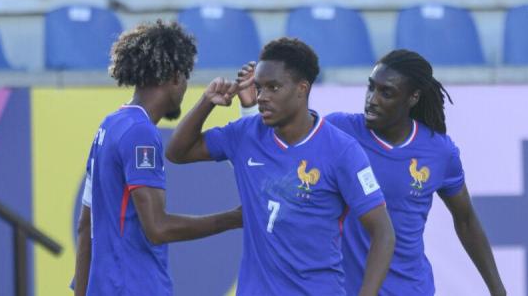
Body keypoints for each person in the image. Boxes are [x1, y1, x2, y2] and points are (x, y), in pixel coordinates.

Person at [237, 49, 506, 296]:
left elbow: (466, 220)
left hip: (410, 289)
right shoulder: (338, 132)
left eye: (386, 93)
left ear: (413, 97)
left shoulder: (439, 151)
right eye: (370, 88)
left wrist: (498, 290)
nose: (372, 100)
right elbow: (273, 153)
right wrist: (250, 107)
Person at [167, 37, 395, 296]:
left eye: (273, 87)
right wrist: (207, 102)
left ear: (302, 88)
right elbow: (177, 152)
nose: (263, 97)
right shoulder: (245, 135)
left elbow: (383, 232)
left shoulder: (342, 150)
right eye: (259, 88)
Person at [73, 20, 242, 296]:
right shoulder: (141, 133)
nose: (186, 86)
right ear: (175, 77)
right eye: (186, 76)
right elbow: (158, 228)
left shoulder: (109, 125)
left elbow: (84, 226)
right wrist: (233, 219)